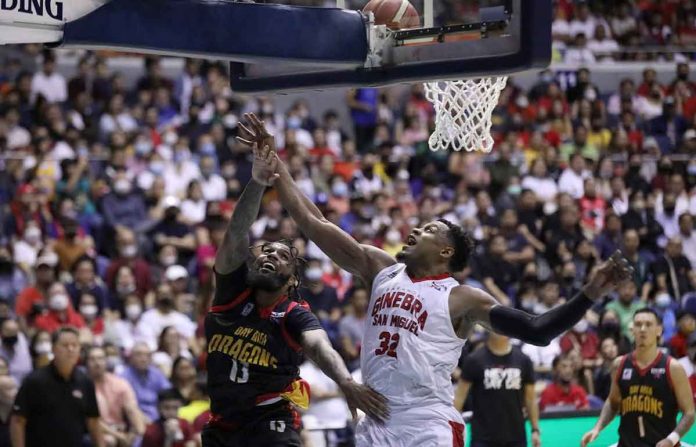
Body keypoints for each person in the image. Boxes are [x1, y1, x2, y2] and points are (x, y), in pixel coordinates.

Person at [238, 113, 633, 447]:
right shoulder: (380, 268)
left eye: (426, 229)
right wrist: (278, 166)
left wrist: (590, 293)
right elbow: (313, 222)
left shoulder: (462, 298)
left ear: (446, 251)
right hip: (376, 419)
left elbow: (538, 330)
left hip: (428, 422)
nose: (413, 231)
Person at [201, 141, 388, 447]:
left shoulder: (293, 313)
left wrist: (345, 382)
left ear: (291, 281)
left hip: (270, 420)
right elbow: (236, 232)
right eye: (266, 251)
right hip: (222, 425)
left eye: (282, 256)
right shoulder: (231, 293)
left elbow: (319, 347)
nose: (270, 256)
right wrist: (258, 182)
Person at [581, 309, 695, 447]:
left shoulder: (672, 367)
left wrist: (671, 439)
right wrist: (597, 428)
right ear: (632, 330)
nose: (642, 329)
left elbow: (689, 413)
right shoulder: (620, 364)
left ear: (659, 330)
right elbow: (612, 403)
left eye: (648, 324)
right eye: (638, 324)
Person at [10, 326, 104, 447]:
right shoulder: (35, 381)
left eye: (74, 345)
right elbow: (18, 421)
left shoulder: (85, 382)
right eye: (65, 345)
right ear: (53, 349)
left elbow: (93, 421)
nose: (70, 349)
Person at [454, 332, 541, 447]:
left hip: (516, 437)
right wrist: (455, 429)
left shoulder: (523, 360)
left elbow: (530, 400)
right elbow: (459, 398)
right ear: (488, 327)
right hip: (482, 438)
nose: (501, 330)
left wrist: (535, 430)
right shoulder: (474, 360)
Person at [86, 345, 146, 447]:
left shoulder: (120, 383)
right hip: (93, 431)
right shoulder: (82, 385)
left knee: (143, 435)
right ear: (86, 363)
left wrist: (136, 432)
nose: (97, 363)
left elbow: (132, 409)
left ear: (106, 361)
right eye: (92, 359)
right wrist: (118, 436)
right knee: (109, 441)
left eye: (100, 358)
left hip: (119, 428)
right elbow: (91, 421)